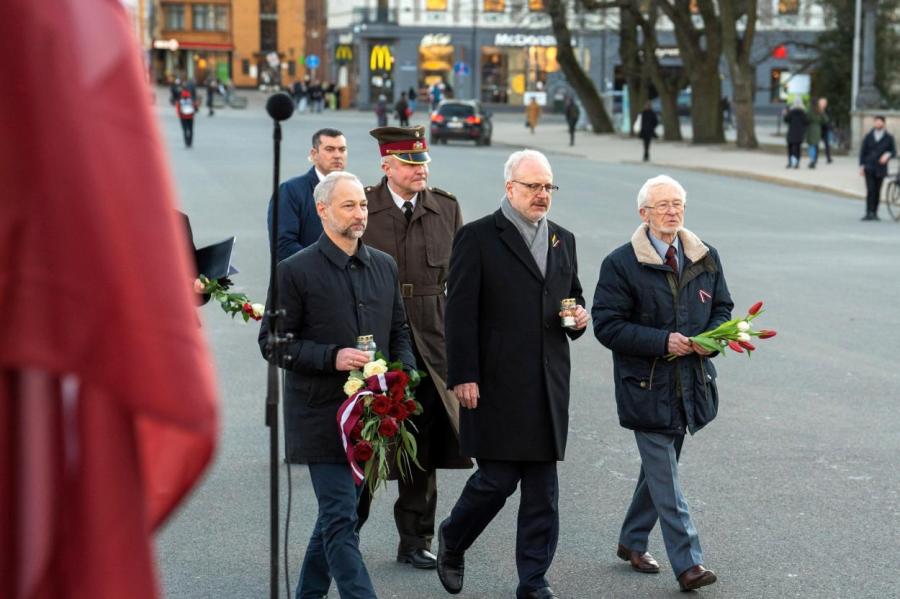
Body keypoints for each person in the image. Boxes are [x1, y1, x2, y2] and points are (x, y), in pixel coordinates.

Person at [436, 150, 589, 599]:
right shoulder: (478, 237)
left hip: (546, 386)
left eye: (547, 187)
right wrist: (463, 375)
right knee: (496, 481)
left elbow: (570, 296)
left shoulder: (564, 239)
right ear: (509, 188)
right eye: (532, 186)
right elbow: (459, 314)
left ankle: (533, 582)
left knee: (543, 493)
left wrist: (578, 317)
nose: (542, 195)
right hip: (495, 383)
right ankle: (453, 537)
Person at [258, 171, 416, 599]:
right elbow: (272, 343)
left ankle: (307, 594)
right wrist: (332, 356)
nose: (360, 213)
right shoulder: (294, 271)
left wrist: (404, 379)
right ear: (322, 210)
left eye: (362, 205)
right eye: (349, 206)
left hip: (371, 418)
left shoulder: (383, 265)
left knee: (339, 516)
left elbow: (399, 330)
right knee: (341, 516)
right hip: (320, 418)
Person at [591, 174, 733, 593]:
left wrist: (714, 341)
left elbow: (722, 306)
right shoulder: (620, 263)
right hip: (646, 386)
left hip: (691, 383)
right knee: (667, 477)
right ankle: (689, 562)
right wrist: (662, 341)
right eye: (663, 205)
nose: (672, 211)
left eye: (678, 204)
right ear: (644, 214)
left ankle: (632, 541)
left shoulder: (705, 256)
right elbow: (607, 325)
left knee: (660, 469)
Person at [357, 125, 472, 570]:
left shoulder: (445, 207)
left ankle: (415, 539)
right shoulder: (365, 206)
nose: (419, 169)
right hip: (378, 334)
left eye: (423, 161)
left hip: (432, 337)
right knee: (366, 441)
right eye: (409, 163)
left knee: (423, 446)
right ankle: (344, 533)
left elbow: (461, 282)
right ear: (387, 166)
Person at [267, 128, 348, 262]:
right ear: (314, 153)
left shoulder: (354, 191)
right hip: (306, 278)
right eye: (330, 149)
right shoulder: (290, 190)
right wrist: (328, 265)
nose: (337, 155)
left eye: (342, 149)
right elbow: (283, 246)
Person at [859, 115, 897, 221]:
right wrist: (862, 166)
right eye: (876, 122)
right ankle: (868, 212)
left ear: (883, 124)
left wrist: (887, 155)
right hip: (869, 166)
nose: (878, 124)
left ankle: (875, 212)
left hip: (881, 168)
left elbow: (893, 151)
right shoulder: (868, 136)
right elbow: (863, 152)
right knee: (870, 189)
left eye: (880, 122)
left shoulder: (889, 137)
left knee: (877, 190)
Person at [783, 97, 807, 169]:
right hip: (799, 133)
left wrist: (785, 114)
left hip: (791, 133)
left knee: (790, 148)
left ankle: (790, 162)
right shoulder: (803, 113)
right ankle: (797, 163)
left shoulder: (791, 112)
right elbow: (806, 122)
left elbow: (786, 120)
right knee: (798, 149)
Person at [805, 98, 824, 168]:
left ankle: (812, 160)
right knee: (815, 145)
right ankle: (814, 159)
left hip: (811, 129)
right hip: (818, 129)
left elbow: (806, 118)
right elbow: (825, 119)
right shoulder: (819, 110)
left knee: (811, 146)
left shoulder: (810, 110)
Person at [819, 97, 833, 164]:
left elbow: (829, 119)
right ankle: (815, 158)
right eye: (822, 103)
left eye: (825, 103)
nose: (824, 104)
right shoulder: (817, 110)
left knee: (827, 144)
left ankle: (828, 158)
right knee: (816, 144)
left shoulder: (828, 110)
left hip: (826, 129)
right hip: (819, 129)